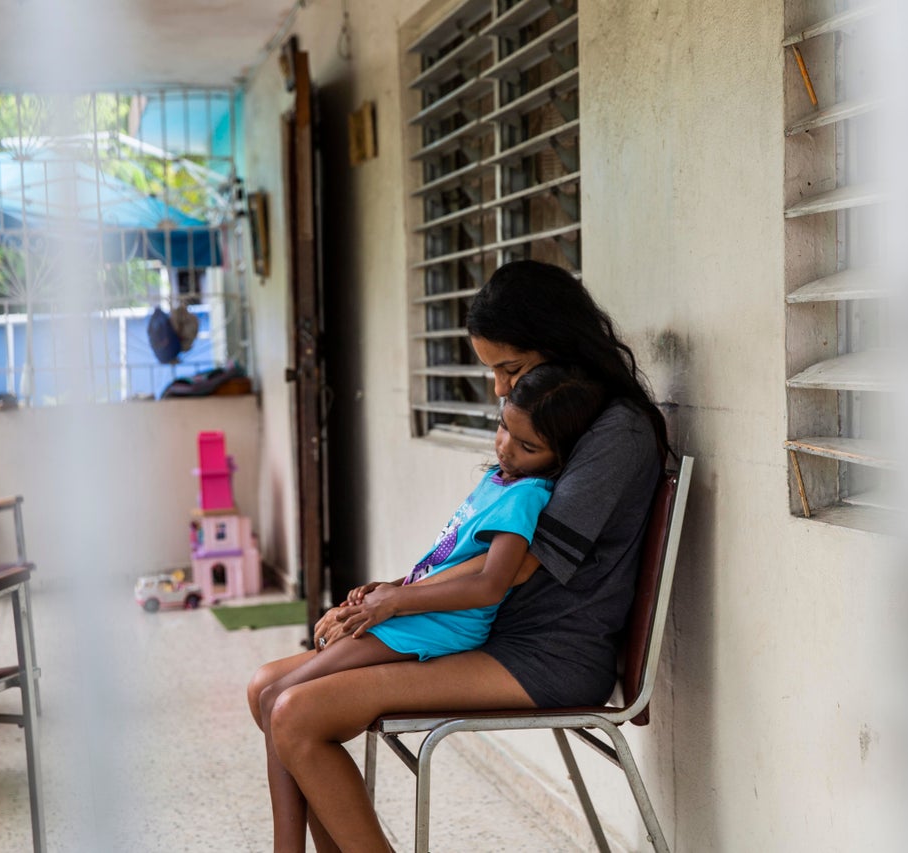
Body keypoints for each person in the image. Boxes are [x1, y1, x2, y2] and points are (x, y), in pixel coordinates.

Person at [246, 259, 671, 852]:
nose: (500, 389)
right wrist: (388, 594)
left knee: (295, 713)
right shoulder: (556, 425)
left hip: (545, 655)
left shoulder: (614, 433)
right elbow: (475, 554)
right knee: (266, 687)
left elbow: (510, 570)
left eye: (512, 368)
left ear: (558, 346)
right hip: (492, 633)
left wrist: (398, 602)